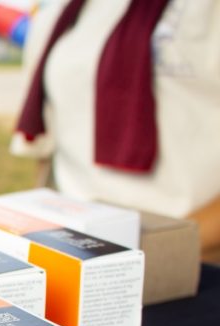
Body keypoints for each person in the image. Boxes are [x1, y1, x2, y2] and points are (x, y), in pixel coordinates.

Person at [11, 0, 220, 257]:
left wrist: (166, 251)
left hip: (197, 252)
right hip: (77, 249)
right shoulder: (58, 14)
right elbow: (50, 151)